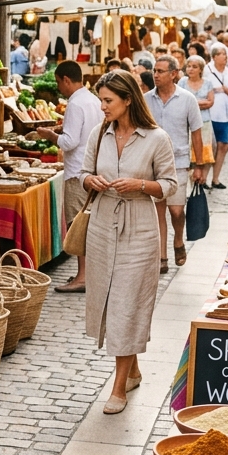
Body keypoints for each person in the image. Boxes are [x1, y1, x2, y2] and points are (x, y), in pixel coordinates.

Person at [81, 70, 177, 415]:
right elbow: (81, 173)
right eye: (101, 100)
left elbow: (170, 184)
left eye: (108, 101)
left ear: (128, 100)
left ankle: (118, 387)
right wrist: (90, 179)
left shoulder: (156, 138)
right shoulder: (98, 133)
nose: (103, 107)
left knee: (128, 301)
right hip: (104, 226)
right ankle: (133, 369)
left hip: (139, 229)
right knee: (111, 301)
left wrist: (138, 185)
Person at [37, 61, 104, 293]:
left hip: (77, 171)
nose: (58, 87)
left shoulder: (75, 103)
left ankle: (83, 277)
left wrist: (49, 135)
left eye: (58, 82)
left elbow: (69, 141)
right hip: (92, 168)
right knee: (87, 224)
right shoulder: (94, 100)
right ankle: (86, 275)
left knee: (77, 225)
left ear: (66, 80)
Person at [145, 56, 204, 272]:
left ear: (174, 74)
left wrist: (200, 165)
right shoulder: (146, 99)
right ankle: (162, 257)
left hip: (178, 163)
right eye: (155, 71)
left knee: (177, 212)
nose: (156, 75)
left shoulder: (187, 99)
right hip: (152, 164)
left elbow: (196, 133)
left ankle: (178, 240)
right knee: (157, 212)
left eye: (161, 71)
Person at [178, 55, 215, 185]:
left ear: (200, 69)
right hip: (186, 121)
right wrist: (199, 103)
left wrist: (191, 103)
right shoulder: (182, 82)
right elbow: (180, 101)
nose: (191, 69)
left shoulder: (207, 83)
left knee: (203, 149)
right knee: (188, 149)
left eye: (194, 67)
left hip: (204, 121)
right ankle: (188, 179)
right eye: (188, 66)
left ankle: (201, 179)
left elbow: (210, 102)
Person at [204, 43, 228, 188]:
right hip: (211, 113)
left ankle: (216, 178)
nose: (225, 56)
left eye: (225, 53)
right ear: (214, 56)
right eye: (222, 54)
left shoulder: (227, 71)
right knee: (211, 146)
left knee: (224, 145)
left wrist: (224, 89)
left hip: (226, 113)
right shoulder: (207, 70)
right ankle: (204, 177)